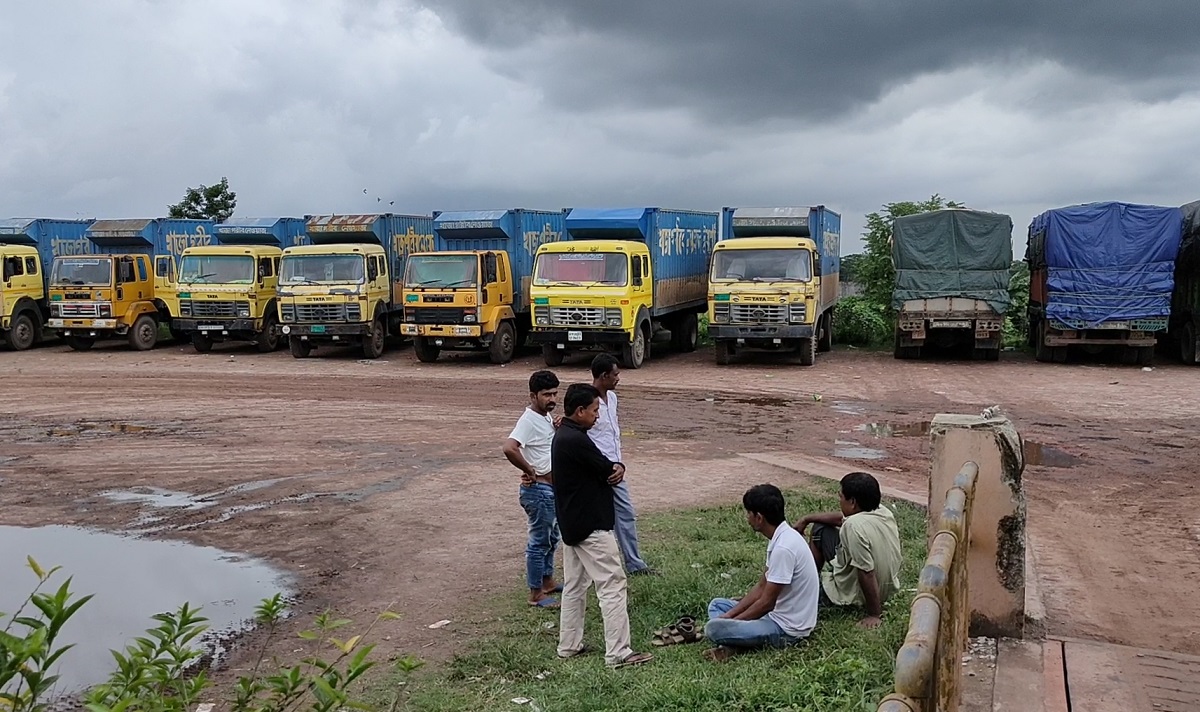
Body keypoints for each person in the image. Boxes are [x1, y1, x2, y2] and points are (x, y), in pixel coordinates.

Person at [551, 383, 653, 668]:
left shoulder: (565, 435)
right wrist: (618, 468)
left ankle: (569, 645)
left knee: (575, 585)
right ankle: (619, 652)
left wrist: (616, 468)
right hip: (591, 526)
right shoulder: (576, 440)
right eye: (595, 410)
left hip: (572, 524)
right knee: (612, 584)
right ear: (580, 411)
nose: (598, 415)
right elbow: (607, 468)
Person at [703, 484, 820, 662]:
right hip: (774, 614)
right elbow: (761, 587)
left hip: (787, 629)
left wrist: (735, 621)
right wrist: (730, 615)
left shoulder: (783, 548)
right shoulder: (782, 536)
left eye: (748, 513)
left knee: (713, 629)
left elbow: (766, 603)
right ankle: (735, 640)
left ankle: (733, 641)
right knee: (717, 605)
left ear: (759, 518)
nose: (747, 518)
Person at [794, 472, 903, 629]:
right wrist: (807, 519)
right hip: (887, 588)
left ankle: (810, 584)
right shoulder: (882, 511)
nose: (839, 501)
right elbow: (840, 518)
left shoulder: (853, 527)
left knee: (795, 597)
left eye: (841, 497)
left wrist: (874, 614)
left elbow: (866, 572)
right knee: (820, 528)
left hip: (859, 594)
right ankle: (811, 579)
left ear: (852, 502)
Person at [588, 354, 655, 575]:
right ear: (603, 376)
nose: (618, 378)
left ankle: (634, 563)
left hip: (615, 468)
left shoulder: (612, 398)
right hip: (596, 469)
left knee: (625, 514)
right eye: (615, 374)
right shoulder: (587, 401)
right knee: (595, 520)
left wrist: (620, 464)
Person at [501, 370, 563, 608]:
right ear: (533, 396)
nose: (552, 399)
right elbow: (509, 448)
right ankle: (536, 593)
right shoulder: (528, 420)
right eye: (546, 395)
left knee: (551, 537)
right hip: (539, 491)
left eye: (554, 394)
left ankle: (547, 581)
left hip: (548, 489)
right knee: (539, 541)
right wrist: (529, 470)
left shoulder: (545, 417)